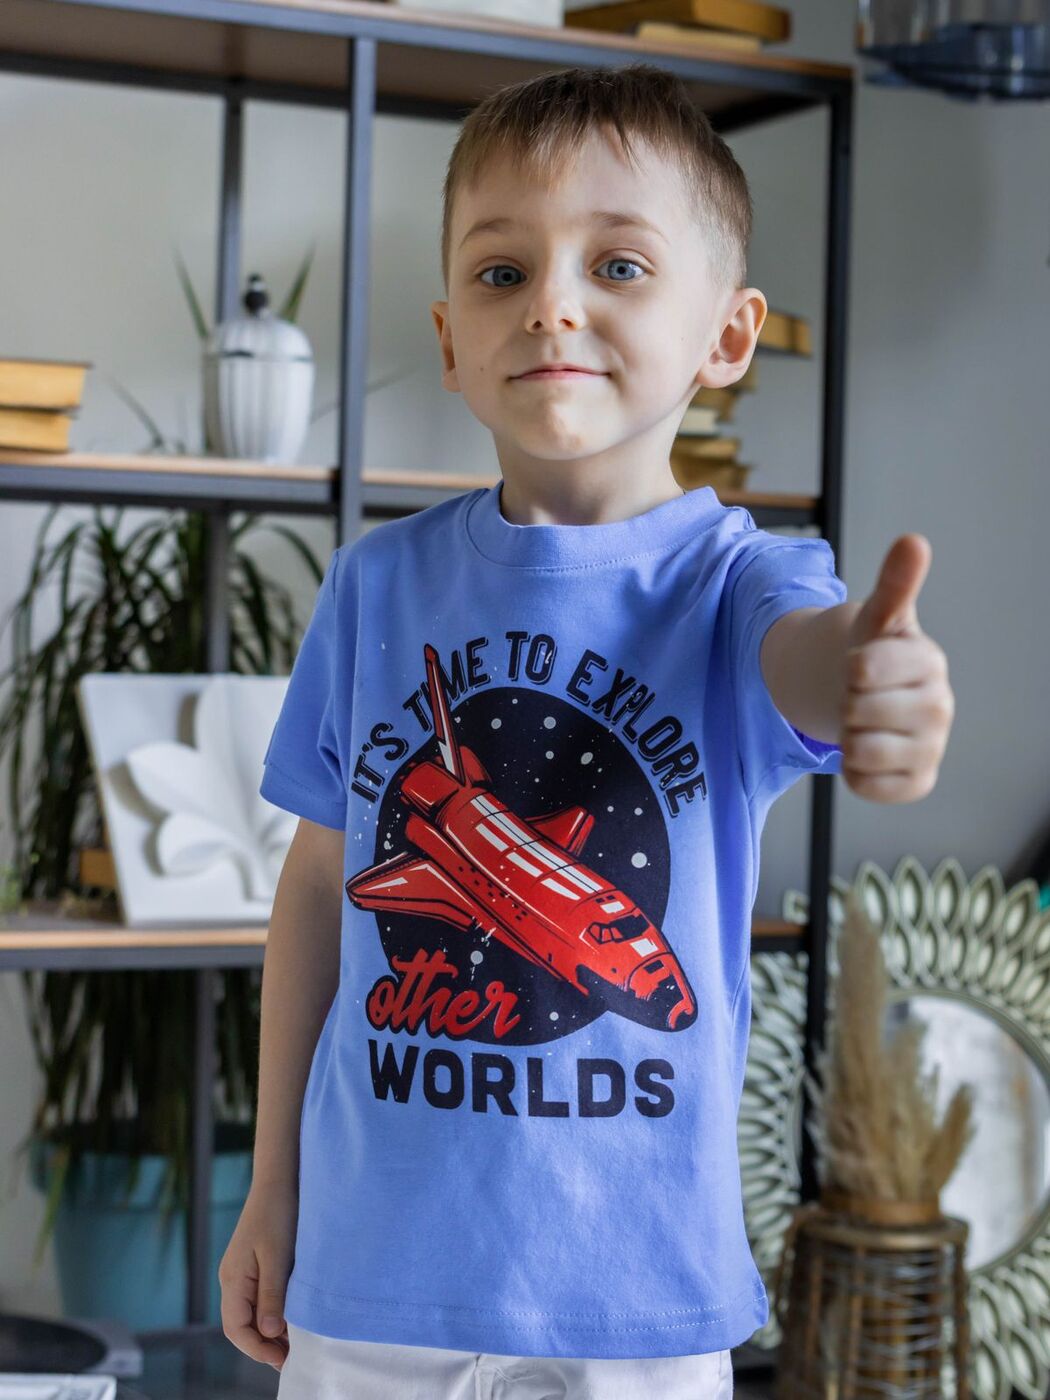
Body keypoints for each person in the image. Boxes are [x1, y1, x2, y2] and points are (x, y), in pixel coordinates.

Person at [219, 61, 954, 1400]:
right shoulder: (374, 586)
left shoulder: (743, 582)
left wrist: (871, 674)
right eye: (502, 272)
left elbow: (807, 658)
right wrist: (274, 1183)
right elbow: (322, 884)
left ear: (726, 335)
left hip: (636, 1301)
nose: (552, 302)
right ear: (451, 340)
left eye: (617, 265)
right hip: (370, 1274)